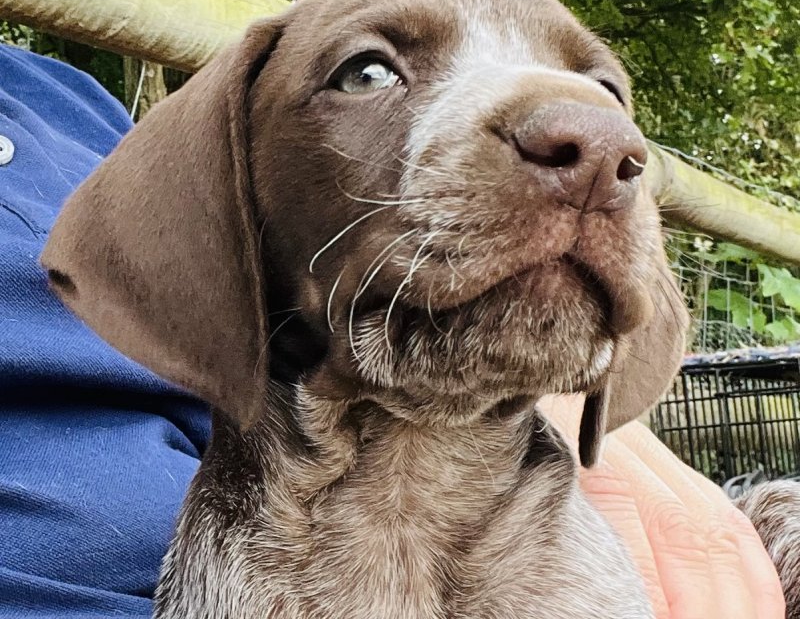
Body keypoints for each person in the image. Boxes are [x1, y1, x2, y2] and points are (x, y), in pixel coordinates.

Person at [0, 43, 785, 618]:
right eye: (368, 71)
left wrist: (593, 411)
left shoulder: (59, 100)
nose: (595, 136)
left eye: (603, 86)